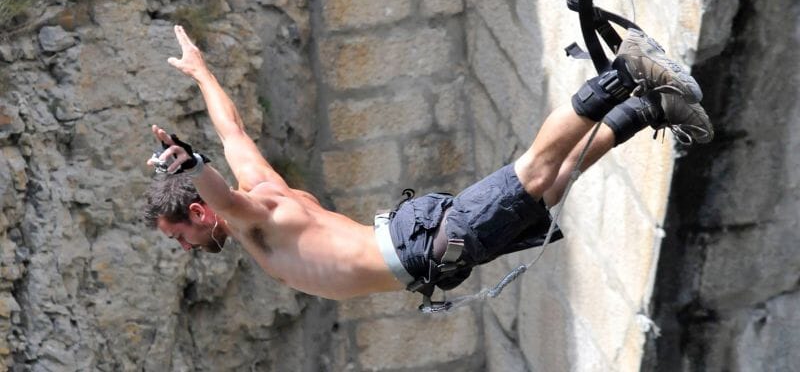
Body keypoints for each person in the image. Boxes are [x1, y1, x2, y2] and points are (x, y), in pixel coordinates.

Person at [144, 25, 712, 302]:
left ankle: (625, 72)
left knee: (536, 172)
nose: (185, 247)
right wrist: (201, 74)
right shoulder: (260, 186)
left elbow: (221, 192)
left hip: (425, 244)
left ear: (198, 211)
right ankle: (648, 107)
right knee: (550, 188)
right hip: (427, 250)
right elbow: (232, 129)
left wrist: (192, 164)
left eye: (179, 235)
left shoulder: (248, 215)